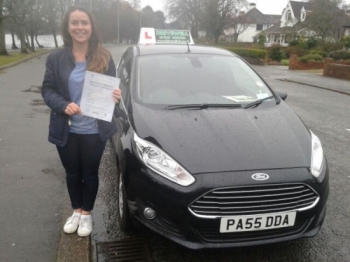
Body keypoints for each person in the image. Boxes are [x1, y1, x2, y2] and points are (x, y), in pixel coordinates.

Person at [41, 6, 121, 237]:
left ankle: (86, 215)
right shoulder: (56, 58)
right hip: (66, 129)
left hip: (94, 130)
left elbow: (112, 91)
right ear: (68, 27)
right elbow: (47, 90)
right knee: (72, 173)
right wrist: (63, 105)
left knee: (90, 173)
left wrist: (116, 96)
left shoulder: (104, 56)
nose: (80, 27)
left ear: (91, 27)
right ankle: (76, 211)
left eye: (84, 22)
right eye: (74, 23)